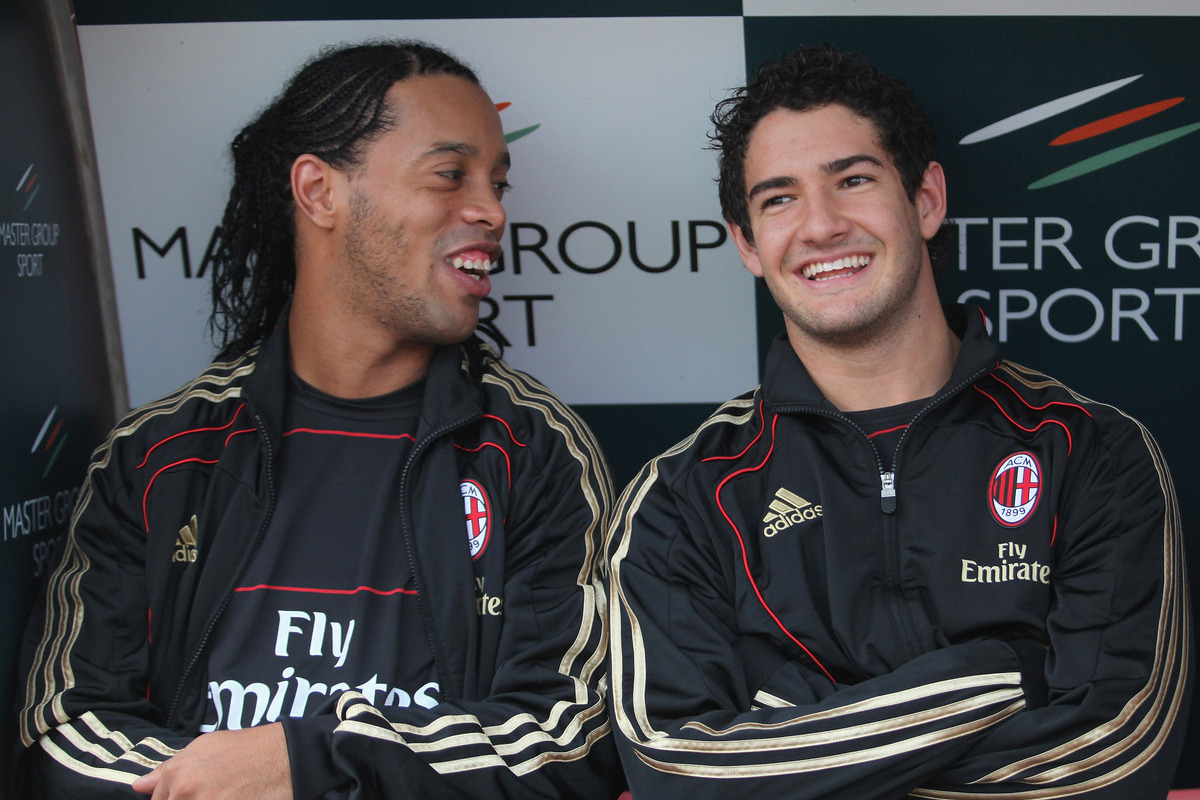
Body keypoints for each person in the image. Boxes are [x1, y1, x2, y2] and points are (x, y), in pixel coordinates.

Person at [15, 40, 620, 799]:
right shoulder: (158, 455)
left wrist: (312, 765)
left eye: (497, 182)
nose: (492, 212)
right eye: (449, 175)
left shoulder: (534, 451)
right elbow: (67, 736)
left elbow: (566, 738)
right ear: (320, 191)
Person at [605, 44, 1191, 798]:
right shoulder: (682, 497)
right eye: (778, 199)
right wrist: (1002, 675)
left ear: (925, 200)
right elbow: (677, 772)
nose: (820, 226)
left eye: (852, 180)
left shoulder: (1094, 453)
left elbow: (1114, 760)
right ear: (747, 243)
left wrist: (787, 711)